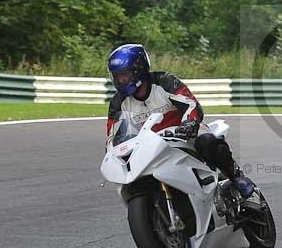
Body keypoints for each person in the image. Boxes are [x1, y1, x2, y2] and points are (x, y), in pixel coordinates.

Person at [105, 44, 261, 207]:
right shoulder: (118, 102)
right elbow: (113, 136)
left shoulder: (164, 82)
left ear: (139, 70)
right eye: (117, 76)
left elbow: (191, 104)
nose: (120, 80)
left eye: (125, 75)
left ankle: (236, 177)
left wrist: (189, 124)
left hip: (184, 135)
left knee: (207, 141)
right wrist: (114, 155)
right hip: (149, 148)